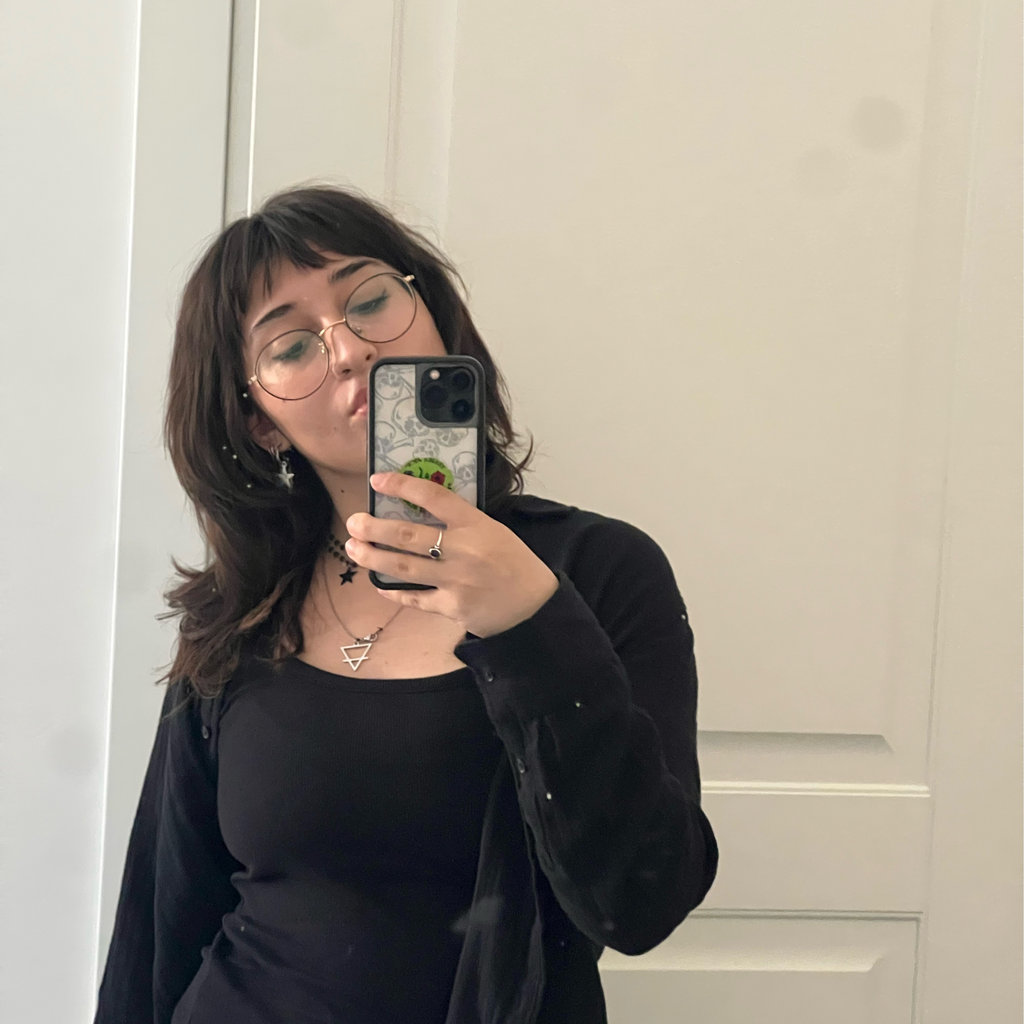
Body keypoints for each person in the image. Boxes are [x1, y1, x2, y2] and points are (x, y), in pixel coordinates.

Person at [94, 185, 718, 1024]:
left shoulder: (596, 571)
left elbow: (641, 902)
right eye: (291, 345)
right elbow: (162, 917)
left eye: (369, 300)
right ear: (261, 422)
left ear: (435, 320)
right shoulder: (244, 605)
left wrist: (530, 622)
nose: (349, 349)